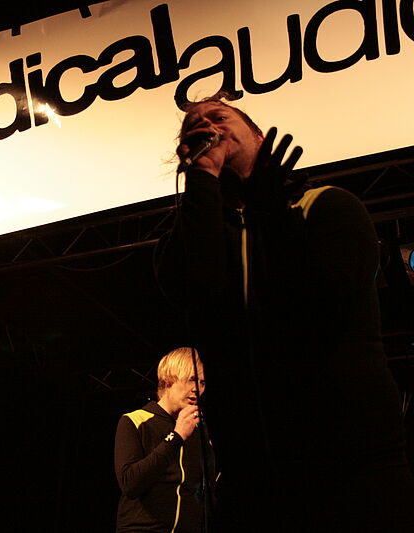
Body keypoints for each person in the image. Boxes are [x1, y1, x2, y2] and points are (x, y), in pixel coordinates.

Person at [154, 93, 414, 531]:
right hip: (252, 471)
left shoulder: (327, 205)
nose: (207, 126)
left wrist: (269, 208)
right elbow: (194, 290)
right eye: (194, 125)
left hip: (352, 459)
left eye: (219, 116)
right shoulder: (187, 237)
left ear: (257, 137)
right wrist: (202, 180)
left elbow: (324, 303)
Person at [114, 347, 215, 533]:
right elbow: (130, 484)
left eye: (202, 382)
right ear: (168, 381)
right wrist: (177, 436)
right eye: (191, 379)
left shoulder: (198, 429)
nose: (197, 389)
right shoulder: (135, 421)